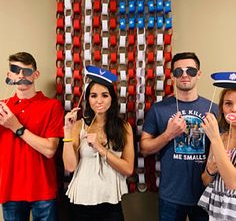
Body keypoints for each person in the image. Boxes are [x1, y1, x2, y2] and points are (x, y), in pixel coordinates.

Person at [140, 52, 218, 221]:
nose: (184, 75)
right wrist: (168, 135)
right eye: (178, 71)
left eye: (190, 71)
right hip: (171, 195)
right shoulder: (159, 109)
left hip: (206, 194)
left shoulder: (214, 109)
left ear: (199, 73)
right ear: (172, 76)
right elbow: (144, 149)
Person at [63, 65, 134, 221]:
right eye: (94, 95)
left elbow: (128, 169)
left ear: (112, 98)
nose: (99, 101)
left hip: (112, 200)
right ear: (88, 98)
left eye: (105, 95)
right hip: (82, 199)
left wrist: (100, 148)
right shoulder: (78, 126)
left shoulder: (124, 127)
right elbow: (70, 167)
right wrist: (67, 131)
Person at [0, 52, 64, 220]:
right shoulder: (2, 108)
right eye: (15, 70)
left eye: (26, 71)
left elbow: (50, 150)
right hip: (10, 190)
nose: (21, 75)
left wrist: (16, 127)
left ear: (36, 74)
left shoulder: (52, 106)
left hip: (43, 190)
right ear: (9, 75)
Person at [198, 72, 236, 220]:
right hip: (217, 208)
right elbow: (206, 180)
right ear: (222, 108)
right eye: (228, 103)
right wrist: (210, 170)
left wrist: (213, 137)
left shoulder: (215, 138)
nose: (233, 109)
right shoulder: (220, 138)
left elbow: (233, 183)